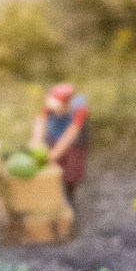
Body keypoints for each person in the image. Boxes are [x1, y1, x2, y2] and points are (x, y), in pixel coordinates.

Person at [32, 82, 89, 223]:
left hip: (74, 143)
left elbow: (72, 133)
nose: (56, 111)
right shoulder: (49, 106)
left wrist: (54, 154)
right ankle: (51, 196)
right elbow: (41, 124)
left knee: (70, 173)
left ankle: (70, 199)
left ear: (66, 104)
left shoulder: (80, 109)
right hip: (54, 136)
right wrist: (36, 144)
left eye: (59, 109)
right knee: (51, 170)